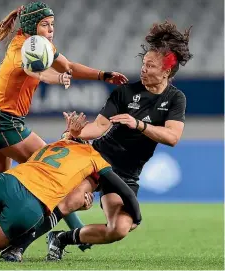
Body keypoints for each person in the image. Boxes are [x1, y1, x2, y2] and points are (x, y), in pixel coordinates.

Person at [0, 1, 128, 261]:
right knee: (57, 172)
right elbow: (38, 72)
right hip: (4, 123)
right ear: (31, 26)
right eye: (45, 25)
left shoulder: (37, 43)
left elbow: (67, 64)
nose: (50, 29)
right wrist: (58, 78)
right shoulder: (23, 49)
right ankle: (74, 231)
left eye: (52, 25)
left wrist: (102, 75)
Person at [46, 20, 193, 260]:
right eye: (143, 64)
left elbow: (172, 137)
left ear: (166, 71)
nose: (143, 69)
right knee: (73, 199)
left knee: (119, 229)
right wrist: (75, 133)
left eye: (150, 66)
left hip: (127, 174)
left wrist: (139, 124)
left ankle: (60, 238)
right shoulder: (125, 92)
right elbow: (98, 127)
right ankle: (20, 243)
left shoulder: (176, 99)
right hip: (99, 160)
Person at [0, 137, 141, 263]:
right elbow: (127, 192)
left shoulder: (55, 144)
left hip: (7, 182)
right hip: (31, 204)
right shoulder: (96, 159)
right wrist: (137, 219)